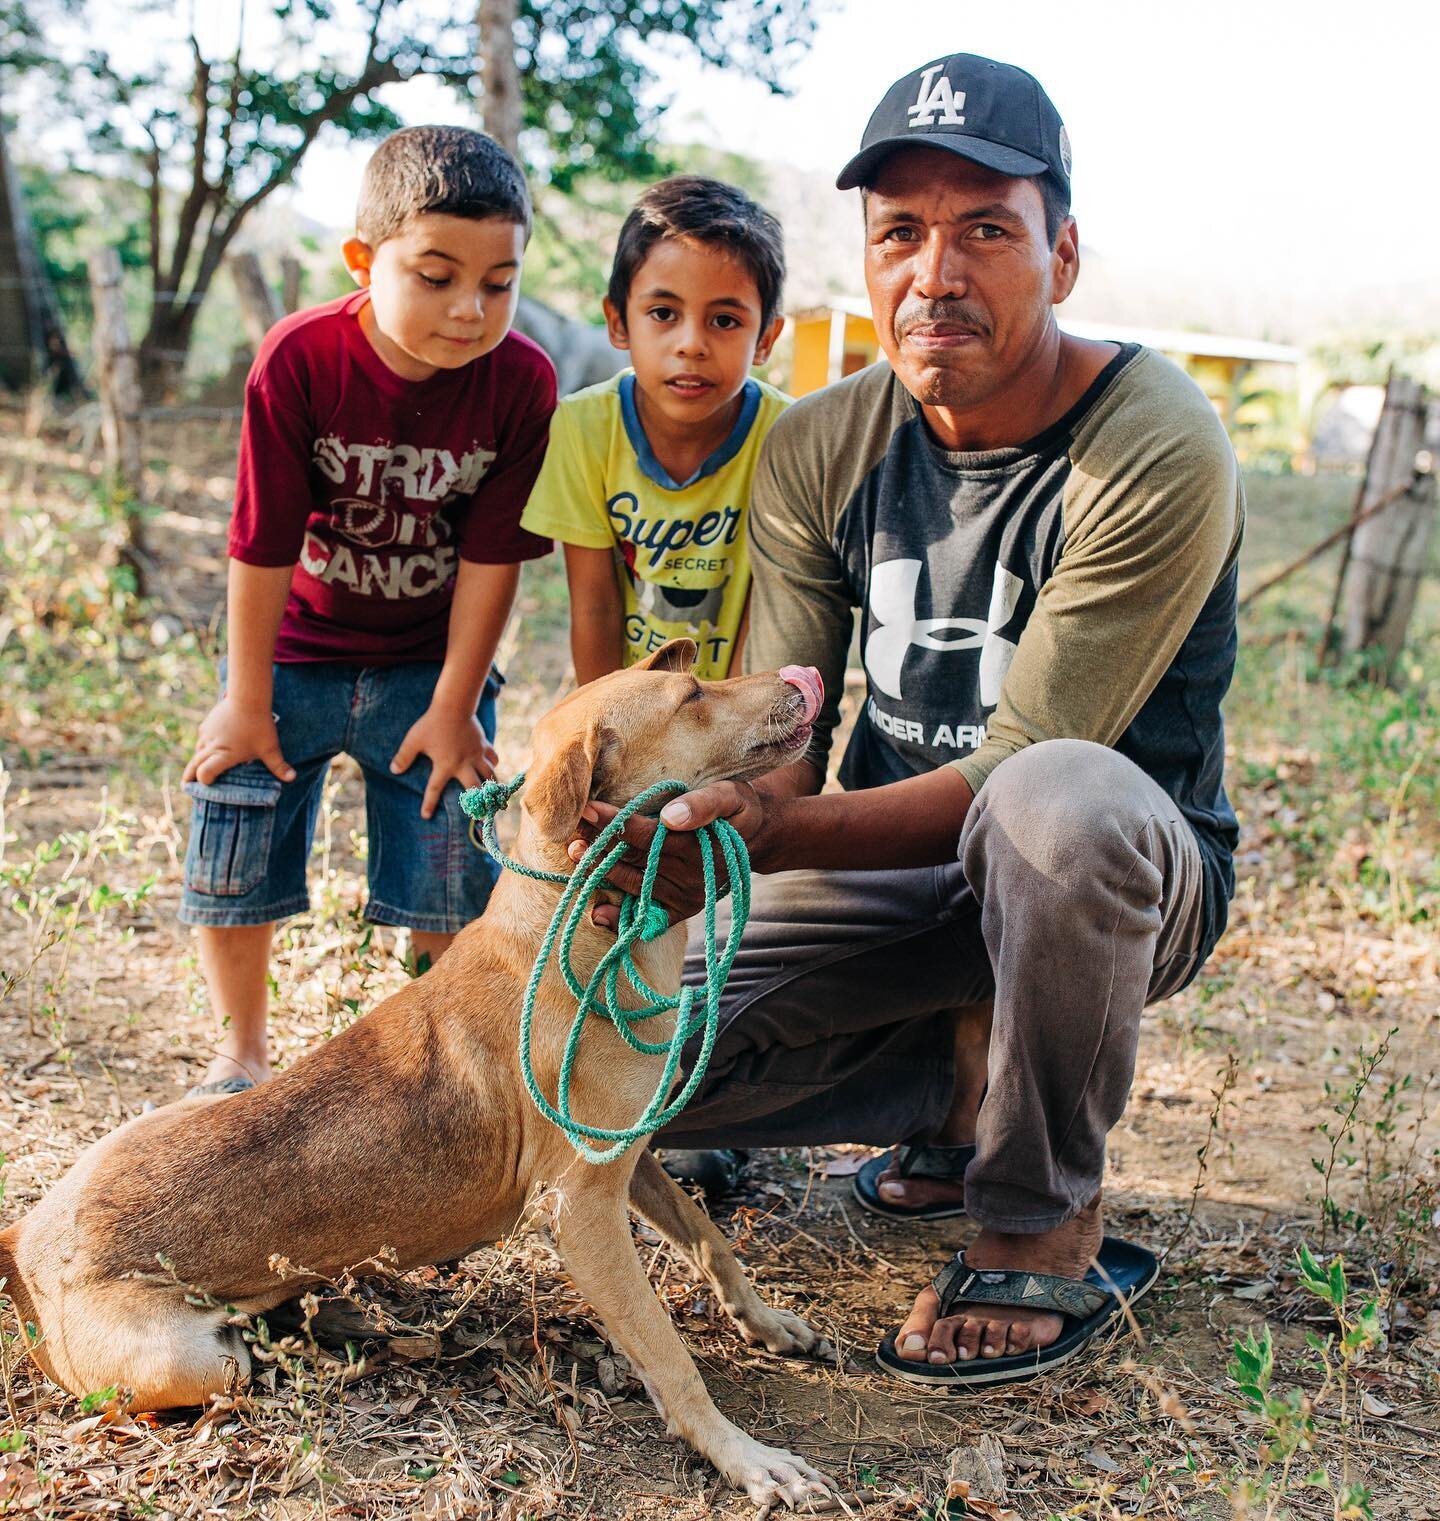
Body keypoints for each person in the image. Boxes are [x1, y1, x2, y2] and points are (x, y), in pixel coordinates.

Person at [573, 54, 1245, 1387]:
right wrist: (705, 825)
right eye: (901, 233)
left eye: (986, 229)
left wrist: (771, 836)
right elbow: (778, 744)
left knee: (1055, 798)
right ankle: (960, 1085)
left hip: (1107, 875)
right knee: (614, 1067)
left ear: (1061, 255)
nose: (937, 272)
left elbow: (1014, 768)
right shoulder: (824, 445)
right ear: (868, 262)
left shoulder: (1153, 438)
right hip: (883, 870)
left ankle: (1038, 1213)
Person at [179, 126, 555, 1096]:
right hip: (296, 652)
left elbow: (491, 557)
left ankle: (434, 1065)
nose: (471, 310)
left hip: (429, 663)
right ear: (363, 258)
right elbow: (260, 541)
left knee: (447, 848)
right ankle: (241, 1055)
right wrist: (246, 697)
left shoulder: (523, 381)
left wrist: (456, 701)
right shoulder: (301, 358)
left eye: (498, 283)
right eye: (435, 276)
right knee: (238, 820)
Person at [520, 176, 788, 687]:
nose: (691, 344)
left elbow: (767, 611)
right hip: (628, 703)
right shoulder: (584, 428)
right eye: (663, 314)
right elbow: (595, 606)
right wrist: (608, 732)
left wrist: (722, 738)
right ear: (618, 322)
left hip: (736, 705)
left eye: (725, 321)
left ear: (766, 339)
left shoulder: (785, 435)